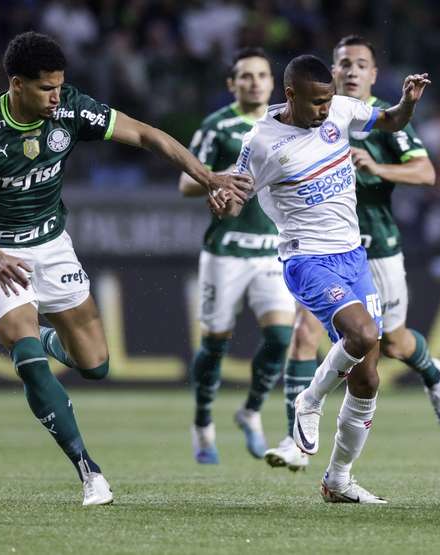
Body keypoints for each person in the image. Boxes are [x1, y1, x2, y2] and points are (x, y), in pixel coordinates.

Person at [0, 31, 250, 506]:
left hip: (52, 245)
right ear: (16, 85)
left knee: (95, 366)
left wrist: (207, 177)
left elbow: (145, 134)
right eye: (45, 88)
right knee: (29, 361)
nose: (56, 97)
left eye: (60, 86)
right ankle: (89, 471)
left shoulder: (71, 109)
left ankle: (41, 339)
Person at [218, 54, 430, 503]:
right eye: (315, 102)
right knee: (364, 333)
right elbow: (235, 195)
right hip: (308, 259)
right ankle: (309, 400)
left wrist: (407, 102)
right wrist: (222, 203)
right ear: (290, 94)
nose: (324, 110)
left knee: (368, 378)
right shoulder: (261, 142)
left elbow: (389, 121)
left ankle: (338, 479)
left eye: (328, 100)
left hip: (354, 256)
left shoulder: (340, 109)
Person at [264, 36, 440, 472]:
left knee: (391, 343)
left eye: (361, 64)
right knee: (304, 336)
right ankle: (297, 435)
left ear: (373, 73)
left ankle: (432, 374)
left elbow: (427, 172)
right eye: (344, 64)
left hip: (376, 248)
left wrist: (376, 167)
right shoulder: (312, 120)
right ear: (332, 71)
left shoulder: (374, 118)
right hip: (317, 254)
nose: (351, 71)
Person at [178, 48, 301, 467]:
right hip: (226, 250)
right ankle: (202, 424)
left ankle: (250, 411)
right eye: (245, 76)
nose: (254, 82)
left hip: (272, 248)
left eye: (261, 75)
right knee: (215, 343)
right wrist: (219, 176)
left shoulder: (288, 122)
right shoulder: (218, 126)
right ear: (232, 84)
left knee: (281, 338)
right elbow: (184, 184)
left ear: (273, 82)